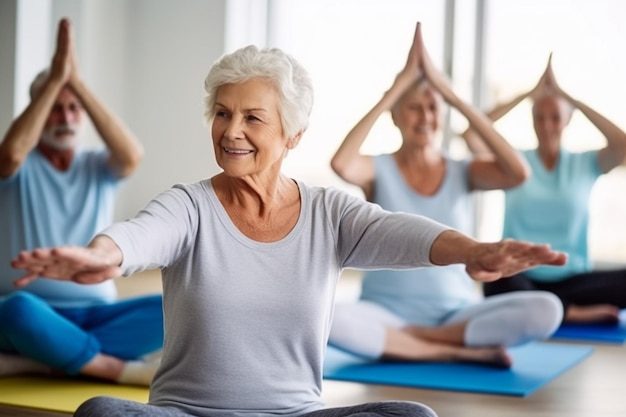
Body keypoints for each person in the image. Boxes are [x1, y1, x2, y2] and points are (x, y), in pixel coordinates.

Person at [10, 24, 566, 417]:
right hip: (186, 414)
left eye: (253, 118)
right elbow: (140, 233)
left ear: (292, 134)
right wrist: (101, 254)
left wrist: (474, 250)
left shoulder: (329, 211)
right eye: (223, 114)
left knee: (411, 415)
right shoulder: (190, 205)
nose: (232, 132)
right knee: (103, 412)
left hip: (296, 414)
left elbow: (400, 230)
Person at [328, 22, 564, 368]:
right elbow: (341, 162)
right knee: (325, 315)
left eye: (434, 107)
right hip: (383, 313)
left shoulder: (463, 170)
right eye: (413, 107)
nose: (425, 116)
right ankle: (453, 352)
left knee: (548, 309)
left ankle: (416, 342)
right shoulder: (377, 169)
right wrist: (394, 90)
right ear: (395, 115)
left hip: (454, 316)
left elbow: (518, 172)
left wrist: (451, 94)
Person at [0, 18, 163, 386]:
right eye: (55, 107)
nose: (67, 117)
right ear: (38, 110)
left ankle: (43, 359)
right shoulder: (17, 165)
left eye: (74, 108)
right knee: (17, 312)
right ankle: (111, 368)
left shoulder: (97, 166)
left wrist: (76, 81)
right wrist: (55, 79)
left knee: (176, 310)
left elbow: (132, 154)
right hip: (29, 309)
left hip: (98, 311)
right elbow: (10, 153)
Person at [466, 55, 626, 324]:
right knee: (494, 280)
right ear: (531, 120)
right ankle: (569, 312)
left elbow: (622, 145)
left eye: (555, 117)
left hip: (573, 280)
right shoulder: (515, 164)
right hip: (519, 278)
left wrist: (568, 97)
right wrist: (527, 93)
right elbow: (472, 134)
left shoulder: (585, 163)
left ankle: (555, 308)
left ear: (567, 121)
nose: (547, 125)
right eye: (539, 117)